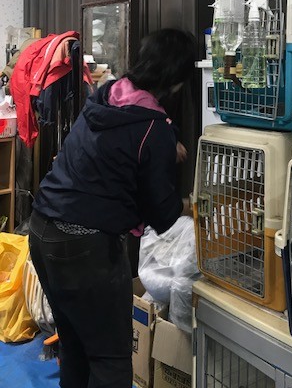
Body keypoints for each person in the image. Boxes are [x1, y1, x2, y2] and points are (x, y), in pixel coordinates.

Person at [29, 28, 196, 388]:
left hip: (42, 229)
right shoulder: (154, 129)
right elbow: (162, 213)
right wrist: (194, 207)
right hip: (84, 247)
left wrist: (165, 145)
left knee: (75, 344)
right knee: (110, 359)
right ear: (177, 80)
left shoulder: (109, 95)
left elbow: (120, 146)